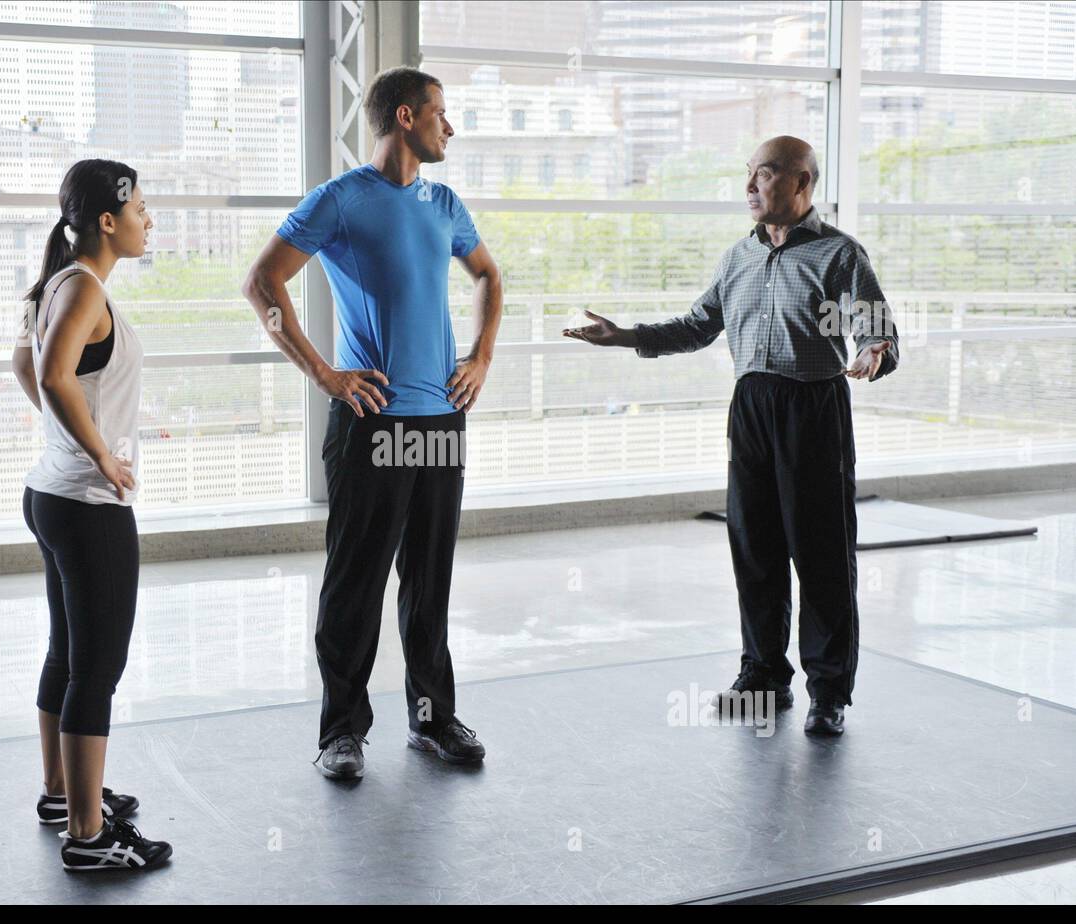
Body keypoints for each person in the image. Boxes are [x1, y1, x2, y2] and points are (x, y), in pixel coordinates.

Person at [564, 136, 899, 736]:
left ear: (801, 184)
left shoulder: (838, 255)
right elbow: (697, 327)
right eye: (747, 174)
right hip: (751, 406)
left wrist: (874, 352)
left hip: (812, 405)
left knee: (821, 553)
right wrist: (625, 336)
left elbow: (876, 330)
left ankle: (829, 691)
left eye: (764, 175)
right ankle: (765, 675)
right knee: (755, 546)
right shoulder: (738, 257)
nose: (750, 187)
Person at [242, 67, 503, 778]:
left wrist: (480, 353)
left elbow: (487, 275)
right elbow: (262, 282)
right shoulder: (342, 200)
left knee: (430, 577)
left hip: (441, 421)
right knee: (356, 579)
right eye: (442, 114)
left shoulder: (445, 202)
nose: (451, 128)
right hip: (373, 423)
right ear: (407, 116)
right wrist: (324, 373)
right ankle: (341, 732)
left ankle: (432, 718)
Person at [10, 158, 171, 868]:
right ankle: (88, 836)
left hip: (50, 495)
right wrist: (102, 454)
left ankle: (61, 792)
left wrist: (65, 438)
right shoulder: (84, 290)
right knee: (96, 668)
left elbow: (26, 363)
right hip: (88, 504)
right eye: (141, 210)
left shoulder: (60, 283)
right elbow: (49, 374)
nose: (149, 220)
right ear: (108, 220)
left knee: (67, 656)